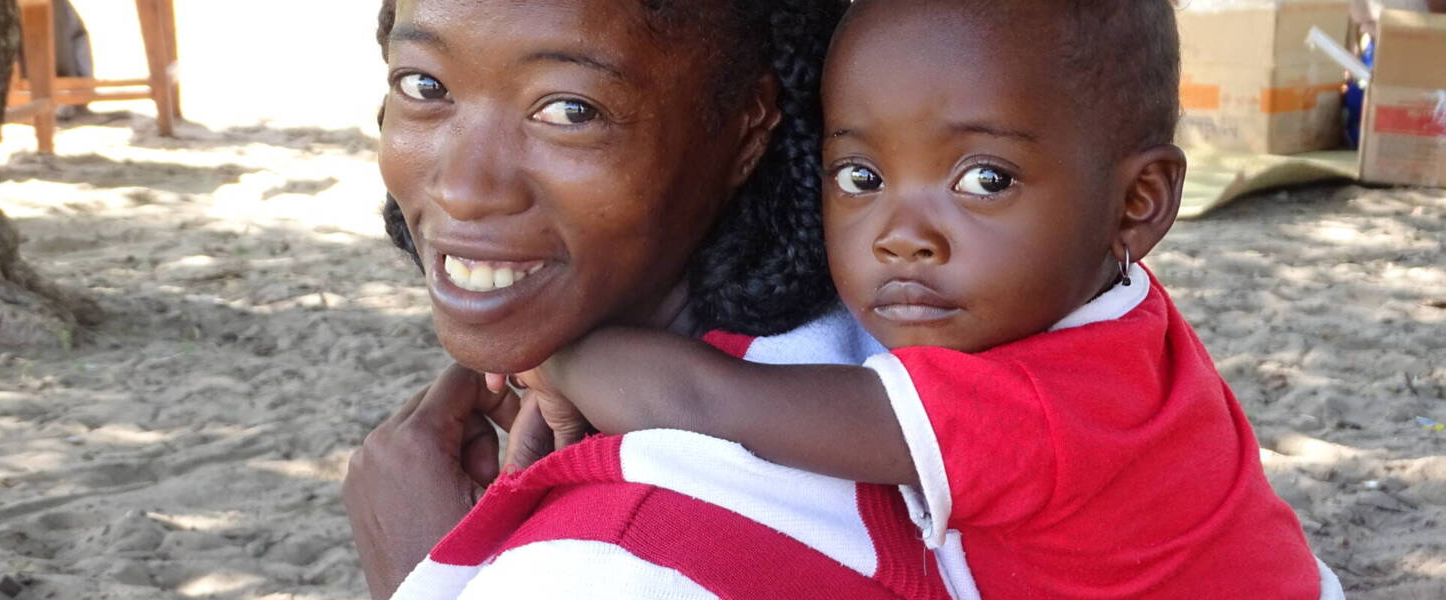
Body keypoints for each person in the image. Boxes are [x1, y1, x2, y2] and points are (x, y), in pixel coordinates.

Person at [508, 1, 1347, 598]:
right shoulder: (1111, 307)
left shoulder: (1030, 409)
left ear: (1139, 202)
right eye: (860, 177)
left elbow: (707, 400)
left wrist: (556, 351)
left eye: (984, 180)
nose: (901, 235)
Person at [346, 1, 956, 598]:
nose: (464, 189)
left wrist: (422, 572)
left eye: (570, 110)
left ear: (747, 127)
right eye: (425, 86)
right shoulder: (891, 355)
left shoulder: (622, 560)